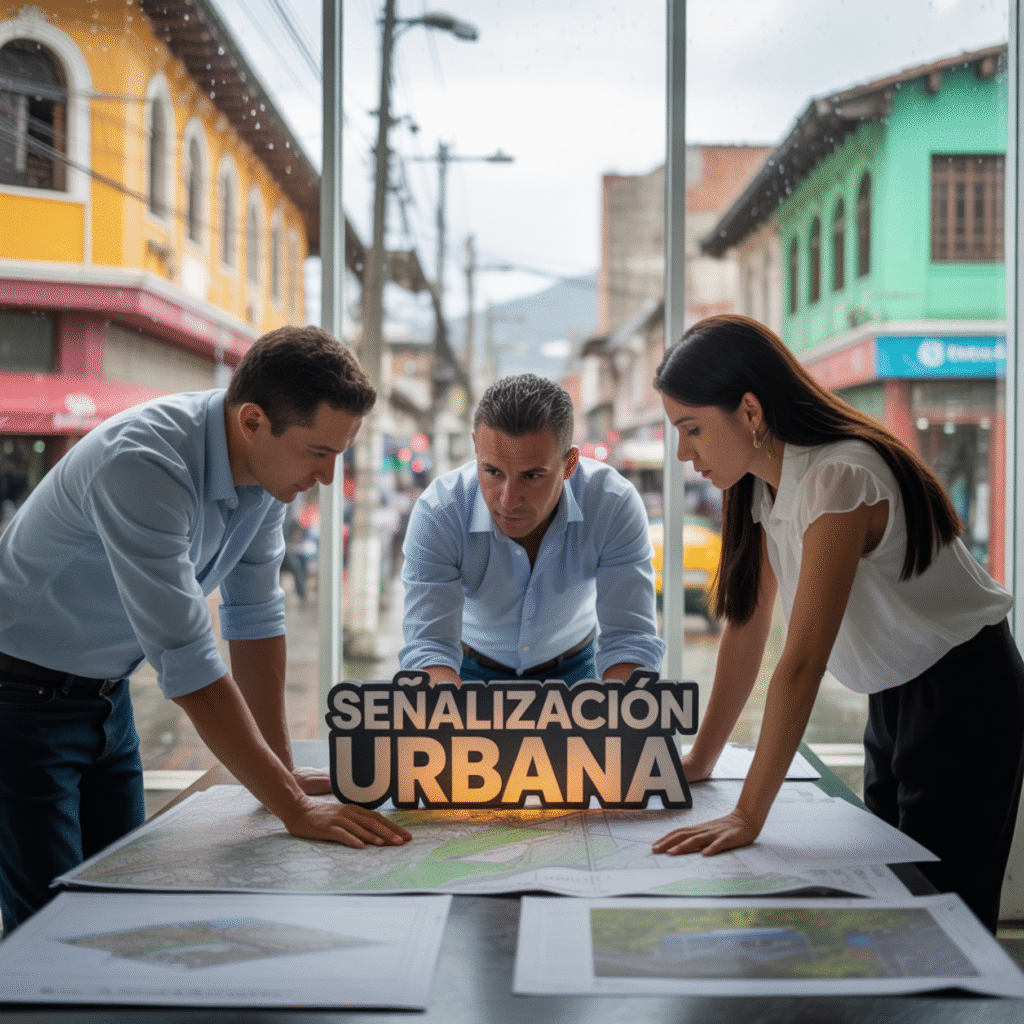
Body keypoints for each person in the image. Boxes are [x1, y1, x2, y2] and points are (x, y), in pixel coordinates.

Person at [0, 325, 411, 933]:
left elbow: (255, 617)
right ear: (251, 421)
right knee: (51, 931)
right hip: (19, 701)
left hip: (106, 700)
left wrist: (279, 765)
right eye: (317, 453)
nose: (326, 478)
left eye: (338, 454)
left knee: (120, 905)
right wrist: (292, 807)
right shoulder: (144, 464)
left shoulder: (269, 474)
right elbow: (189, 662)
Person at [649, 314, 1024, 933]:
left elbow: (800, 663)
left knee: (942, 919)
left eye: (692, 429)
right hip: (896, 689)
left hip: (965, 692)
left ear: (749, 411)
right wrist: (701, 760)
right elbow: (746, 628)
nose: (685, 453)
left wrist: (749, 815)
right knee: (888, 901)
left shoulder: (839, 475)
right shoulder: (761, 487)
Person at [400, 373, 665, 686]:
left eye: (532, 476)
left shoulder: (612, 504)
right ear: (476, 447)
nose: (509, 500)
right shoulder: (440, 511)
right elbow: (429, 644)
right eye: (493, 471)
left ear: (570, 464)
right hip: (462, 671)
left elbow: (629, 638)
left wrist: (617, 721)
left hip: (575, 670)